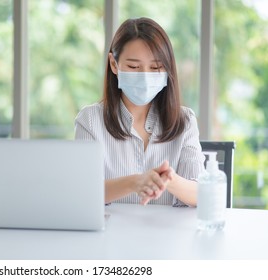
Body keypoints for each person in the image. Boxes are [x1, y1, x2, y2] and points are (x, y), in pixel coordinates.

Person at [75, 17, 205, 206]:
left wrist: (168, 179)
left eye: (156, 67)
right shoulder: (90, 120)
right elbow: (82, 192)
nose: (145, 76)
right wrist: (134, 182)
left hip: (169, 234)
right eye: (134, 67)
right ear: (114, 64)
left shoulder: (185, 120)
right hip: (111, 234)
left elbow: (201, 196)